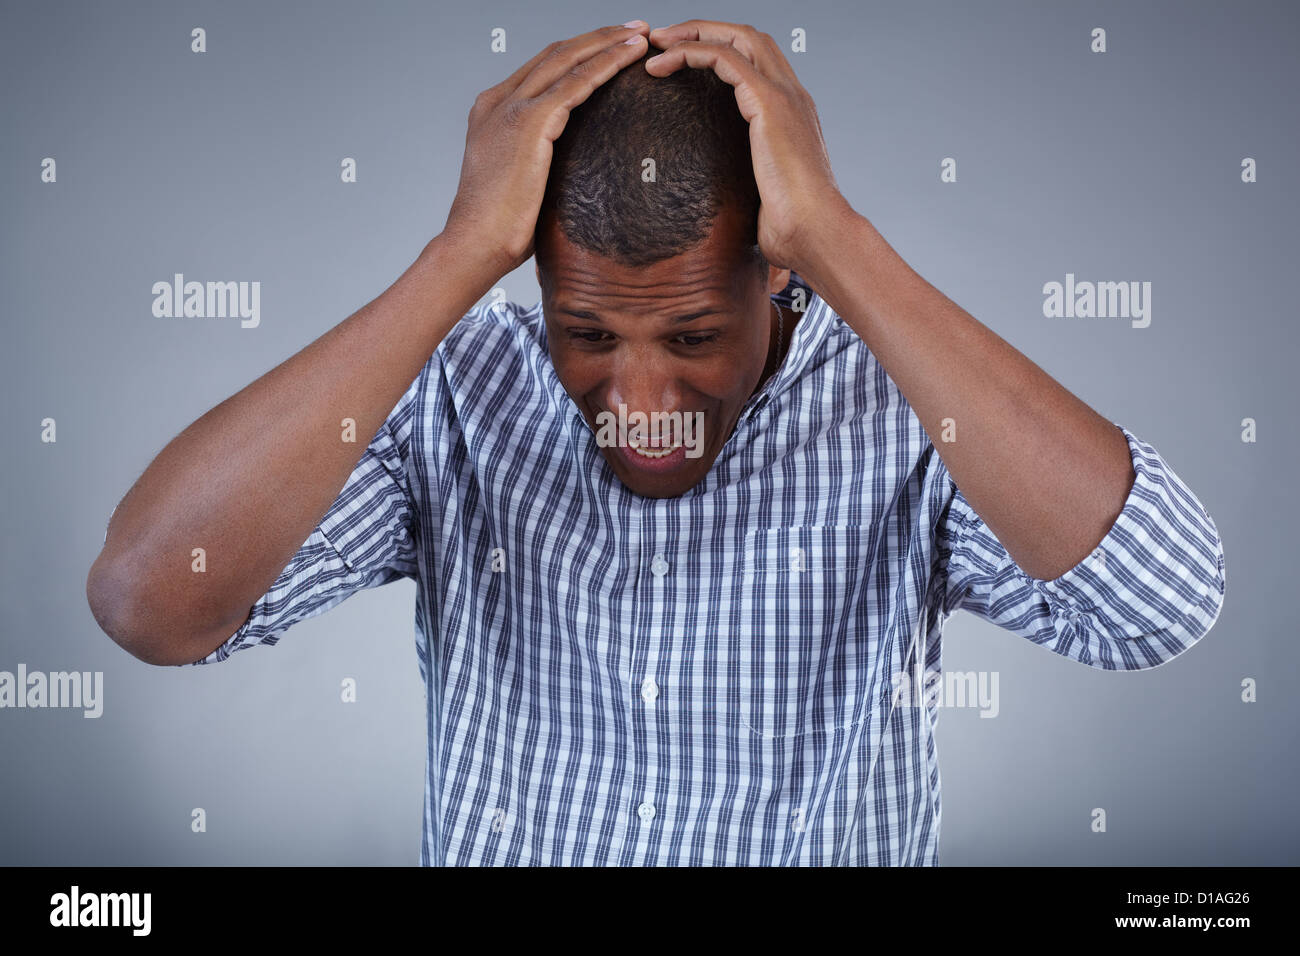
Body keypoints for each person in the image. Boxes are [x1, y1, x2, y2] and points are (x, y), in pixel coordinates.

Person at [86, 20, 1226, 865]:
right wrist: (451, 260)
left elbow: (1158, 604)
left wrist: (841, 238)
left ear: (777, 270)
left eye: (691, 333)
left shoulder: (912, 410)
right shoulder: (458, 391)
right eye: (584, 332)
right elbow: (151, 601)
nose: (637, 401)